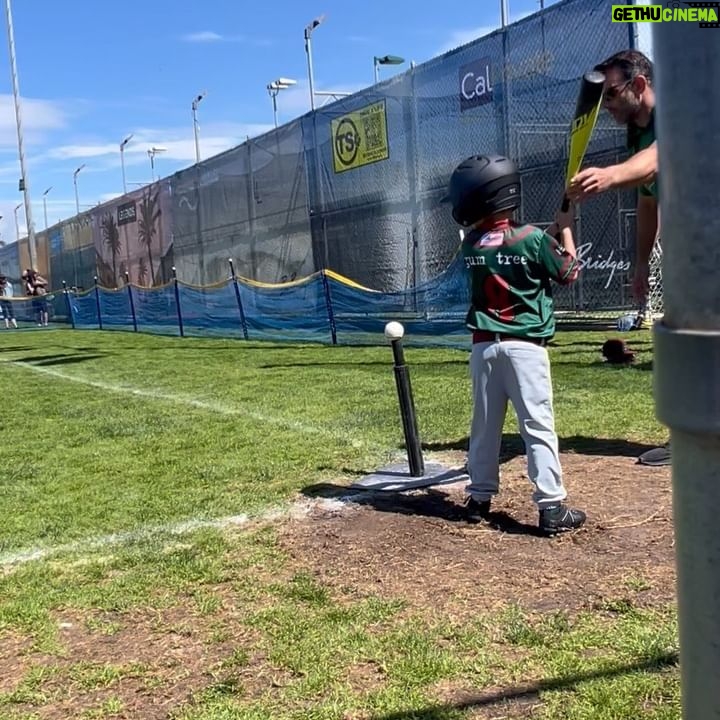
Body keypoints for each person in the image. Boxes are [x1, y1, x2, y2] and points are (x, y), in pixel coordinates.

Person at [443, 154, 586, 535]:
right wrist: (565, 230)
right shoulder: (534, 239)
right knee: (537, 426)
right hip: (526, 349)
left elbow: (506, 247)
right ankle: (551, 507)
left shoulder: (471, 244)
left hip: (484, 349)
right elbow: (569, 271)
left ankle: (478, 499)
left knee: (484, 427)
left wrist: (550, 233)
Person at [566, 49, 668, 468]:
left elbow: (658, 161)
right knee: (687, 346)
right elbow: (648, 202)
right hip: (695, 249)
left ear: (639, 86)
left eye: (609, 95)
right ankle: (697, 435)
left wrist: (609, 176)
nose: (603, 106)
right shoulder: (637, 132)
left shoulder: (675, 114)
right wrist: (642, 261)